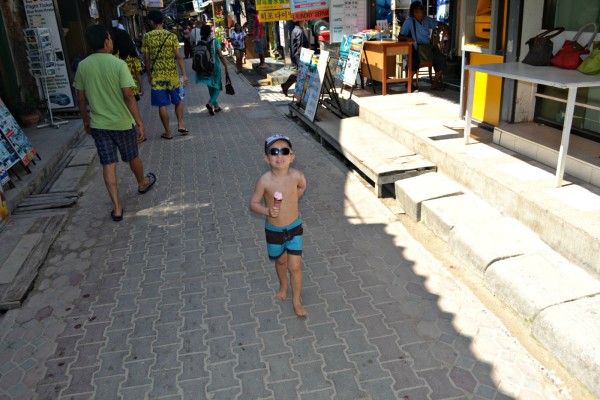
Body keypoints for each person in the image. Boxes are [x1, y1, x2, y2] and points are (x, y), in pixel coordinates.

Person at [74, 25, 156, 222]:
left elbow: (81, 99)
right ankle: (142, 183)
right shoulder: (118, 64)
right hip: (122, 123)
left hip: (99, 125)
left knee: (108, 164)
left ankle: (117, 208)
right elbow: (128, 95)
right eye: (109, 38)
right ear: (106, 41)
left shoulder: (83, 66)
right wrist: (139, 121)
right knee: (132, 156)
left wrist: (86, 120)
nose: (111, 41)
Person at [249, 134, 307, 317]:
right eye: (274, 152)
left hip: (294, 228)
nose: (279, 155)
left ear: (292, 156)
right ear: (267, 158)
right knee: (281, 261)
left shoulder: (297, 176)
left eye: (284, 151)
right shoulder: (264, 181)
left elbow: (302, 187)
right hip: (274, 230)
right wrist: (267, 211)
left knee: (295, 266)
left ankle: (297, 300)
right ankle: (283, 285)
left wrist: (294, 199)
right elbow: (253, 203)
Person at [142, 10, 189, 139]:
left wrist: (149, 74)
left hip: (157, 77)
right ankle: (180, 124)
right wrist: (184, 74)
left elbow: (147, 59)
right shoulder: (172, 36)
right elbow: (179, 57)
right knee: (178, 100)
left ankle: (168, 132)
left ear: (151, 21)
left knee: (162, 104)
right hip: (173, 75)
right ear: (163, 21)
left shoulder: (147, 37)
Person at [398, 1, 449, 91]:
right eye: (421, 10)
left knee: (441, 59)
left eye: (423, 9)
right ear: (415, 12)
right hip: (416, 48)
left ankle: (435, 83)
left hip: (428, 47)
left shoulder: (426, 19)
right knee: (413, 62)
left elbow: (438, 23)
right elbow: (400, 36)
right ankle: (410, 82)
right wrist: (407, 39)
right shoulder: (409, 22)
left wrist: (445, 28)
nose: (423, 12)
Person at [194, 25, 229, 116]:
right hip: (215, 67)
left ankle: (216, 106)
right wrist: (226, 65)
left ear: (201, 33)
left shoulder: (199, 43)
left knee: (210, 86)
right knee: (217, 86)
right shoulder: (215, 41)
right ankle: (210, 103)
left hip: (204, 68)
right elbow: (220, 55)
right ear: (210, 32)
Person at [112, 28, 143, 101]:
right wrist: (141, 86)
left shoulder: (114, 55)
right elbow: (137, 73)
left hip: (118, 90)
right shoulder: (132, 54)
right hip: (132, 88)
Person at [280, 20, 309, 96]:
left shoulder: (295, 29)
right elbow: (300, 46)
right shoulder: (299, 31)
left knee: (299, 73)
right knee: (301, 73)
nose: (305, 21)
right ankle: (286, 86)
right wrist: (302, 58)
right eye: (304, 21)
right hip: (300, 56)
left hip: (295, 55)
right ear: (300, 22)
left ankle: (285, 85)